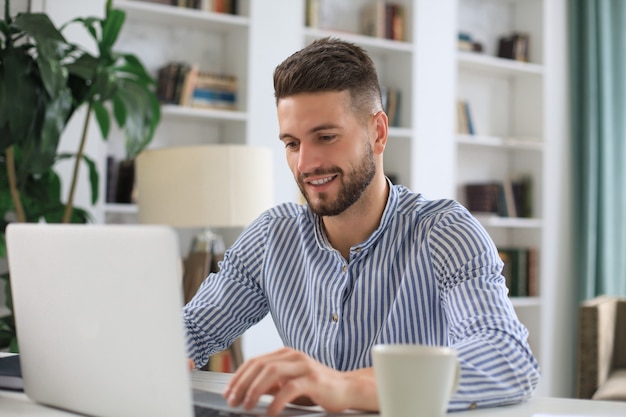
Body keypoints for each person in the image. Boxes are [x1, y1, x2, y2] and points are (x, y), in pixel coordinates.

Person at [183, 37, 540, 415]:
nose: (305, 163)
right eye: (291, 143)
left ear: (378, 133)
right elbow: (192, 329)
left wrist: (343, 386)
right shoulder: (271, 236)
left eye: (325, 137)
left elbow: (507, 358)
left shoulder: (445, 231)